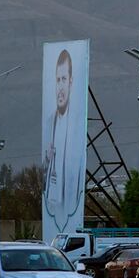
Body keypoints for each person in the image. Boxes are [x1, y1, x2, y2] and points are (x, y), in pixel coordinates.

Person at [43, 48, 86, 236]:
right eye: (57, 80)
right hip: (53, 207)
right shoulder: (49, 122)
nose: (60, 87)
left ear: (71, 81)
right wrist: (46, 159)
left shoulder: (77, 124)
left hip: (70, 206)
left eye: (64, 80)